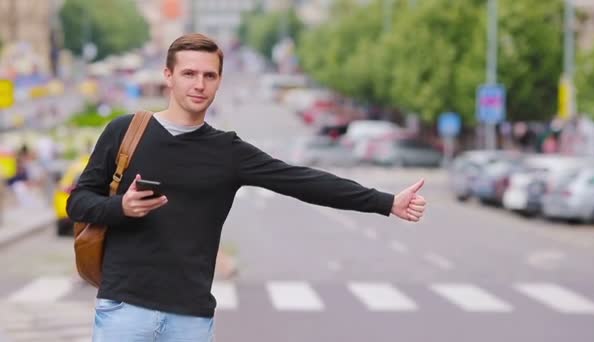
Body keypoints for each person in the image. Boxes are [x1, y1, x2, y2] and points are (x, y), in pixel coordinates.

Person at [66, 33, 426, 342]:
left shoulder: (227, 151)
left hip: (189, 317)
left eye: (209, 75)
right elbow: (78, 202)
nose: (199, 84)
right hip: (124, 309)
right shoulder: (126, 131)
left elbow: (302, 181)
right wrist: (121, 209)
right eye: (189, 73)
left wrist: (387, 202)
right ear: (168, 76)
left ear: (219, 81)